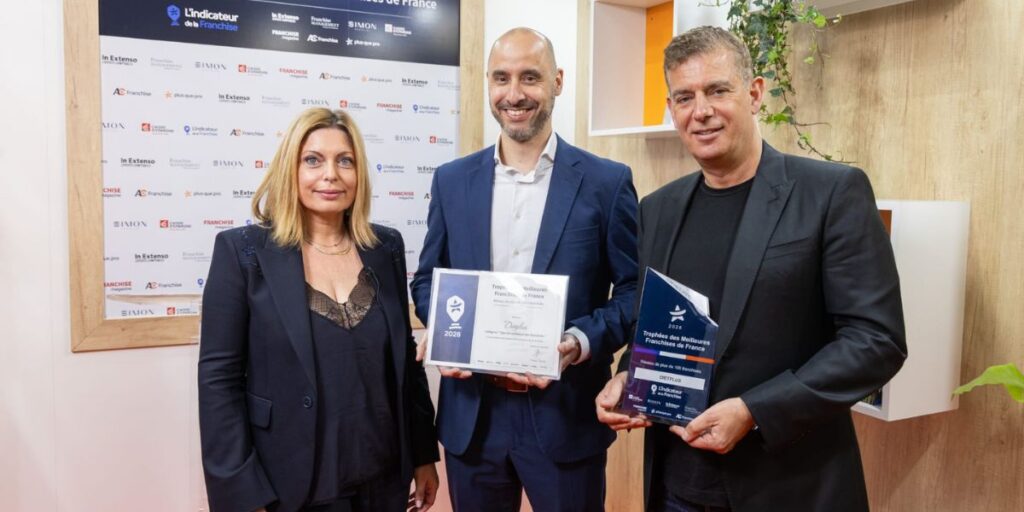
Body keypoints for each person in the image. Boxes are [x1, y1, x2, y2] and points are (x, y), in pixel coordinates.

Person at [596, 27, 907, 512]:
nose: (701, 111)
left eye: (717, 90)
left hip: (789, 485)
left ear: (755, 92)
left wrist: (754, 411)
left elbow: (876, 341)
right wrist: (628, 378)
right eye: (684, 97)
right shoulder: (658, 209)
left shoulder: (830, 193)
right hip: (676, 486)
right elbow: (652, 322)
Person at [410, 27, 639, 512]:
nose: (514, 95)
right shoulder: (451, 181)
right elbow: (429, 279)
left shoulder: (606, 182)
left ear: (556, 81)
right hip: (473, 419)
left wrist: (578, 343)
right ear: (489, 85)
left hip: (565, 416)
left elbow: (633, 293)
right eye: (501, 78)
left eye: (530, 77)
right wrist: (445, 328)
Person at [198, 108, 440, 512]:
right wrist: (243, 495)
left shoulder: (386, 248)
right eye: (313, 160)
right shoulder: (242, 252)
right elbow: (218, 383)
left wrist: (422, 454)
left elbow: (405, 363)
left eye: (345, 160)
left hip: (382, 479)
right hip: (289, 485)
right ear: (289, 170)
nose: (331, 174)